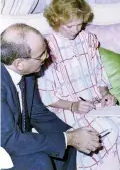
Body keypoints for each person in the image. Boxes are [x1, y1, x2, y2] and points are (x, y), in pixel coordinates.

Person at [37, 0, 120, 170]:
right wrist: (73, 106)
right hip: (67, 110)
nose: (76, 30)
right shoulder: (46, 48)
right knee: (106, 130)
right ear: (56, 21)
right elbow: (46, 96)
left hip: (95, 104)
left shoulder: (87, 40)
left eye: (80, 24)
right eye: (70, 26)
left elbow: (99, 75)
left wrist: (106, 95)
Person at [1, 23, 102, 170]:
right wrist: (70, 138)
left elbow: (37, 113)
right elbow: (9, 140)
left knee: (65, 148)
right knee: (40, 161)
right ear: (19, 64)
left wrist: (73, 133)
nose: (47, 56)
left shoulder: (27, 74)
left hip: (12, 139)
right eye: (41, 55)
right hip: (3, 148)